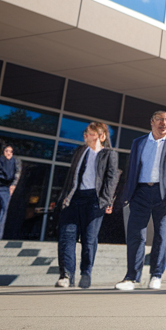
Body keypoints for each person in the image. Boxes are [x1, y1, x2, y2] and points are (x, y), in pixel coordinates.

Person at [115, 111, 166, 291]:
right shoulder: (139, 143)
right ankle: (131, 278)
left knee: (161, 236)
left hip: (165, 196)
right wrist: (125, 195)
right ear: (152, 122)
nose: (163, 123)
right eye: (159, 120)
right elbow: (131, 170)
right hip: (140, 193)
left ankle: (156, 275)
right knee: (136, 235)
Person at [55, 122, 120, 289]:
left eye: (90, 134)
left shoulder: (109, 154)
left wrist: (106, 200)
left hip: (94, 199)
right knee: (66, 236)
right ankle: (66, 275)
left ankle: (86, 272)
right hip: (74, 198)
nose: (86, 136)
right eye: (85, 133)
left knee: (89, 238)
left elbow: (111, 179)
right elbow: (71, 176)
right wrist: (63, 197)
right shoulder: (80, 151)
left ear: (101, 136)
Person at [0, 144, 21, 240]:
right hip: (4, 188)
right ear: (3, 151)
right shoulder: (11, 161)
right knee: (3, 213)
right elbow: (12, 175)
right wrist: (12, 185)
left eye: (10, 151)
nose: (9, 153)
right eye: (7, 151)